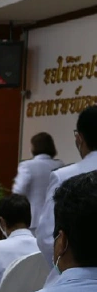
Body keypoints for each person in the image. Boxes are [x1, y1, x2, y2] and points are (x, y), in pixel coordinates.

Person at [36, 107, 97, 274]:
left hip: (72, 274)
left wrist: (61, 271)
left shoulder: (64, 176)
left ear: (80, 138)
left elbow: (46, 237)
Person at [12, 133, 64, 233]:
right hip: (55, 216)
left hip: (33, 218)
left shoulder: (27, 165)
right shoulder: (60, 164)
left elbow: (18, 191)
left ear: (34, 147)